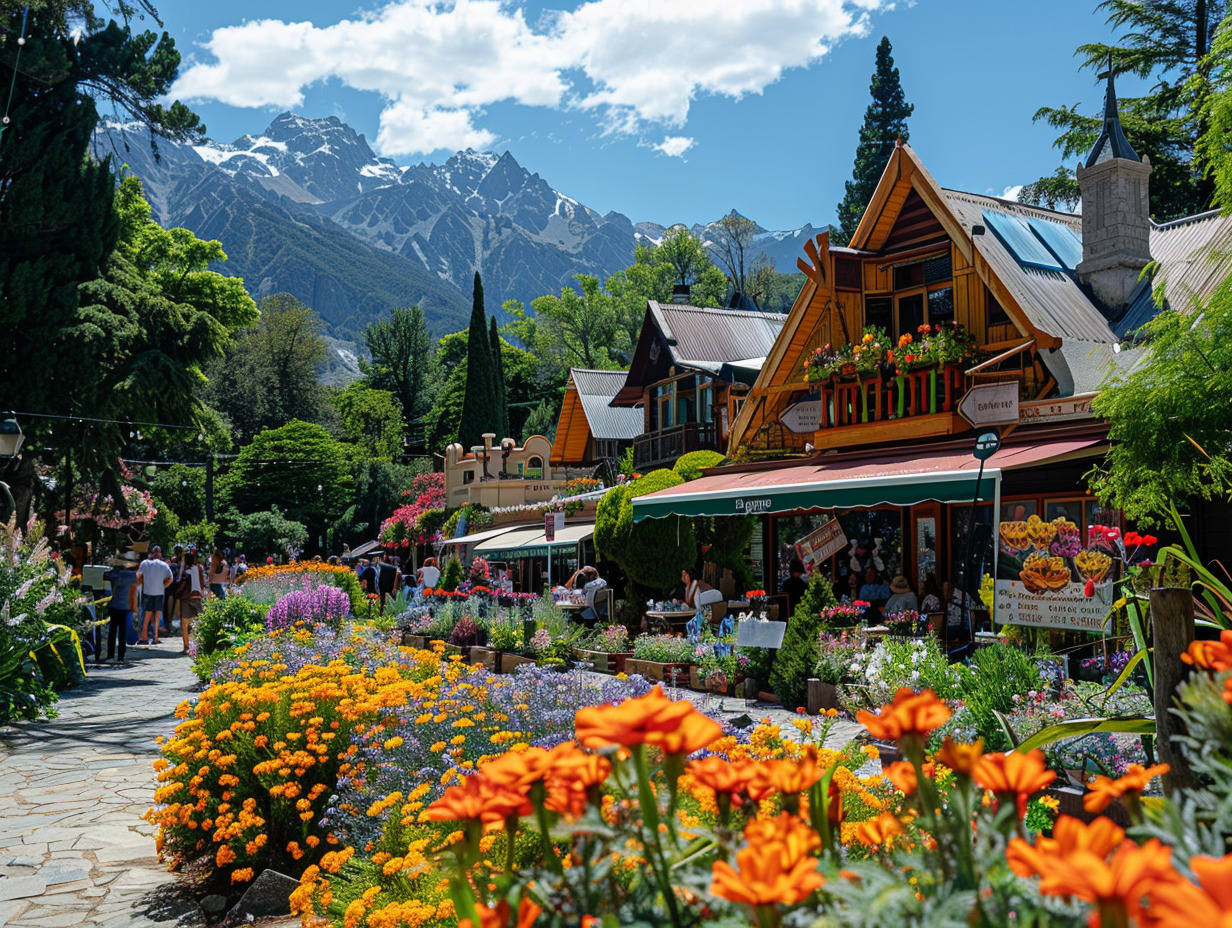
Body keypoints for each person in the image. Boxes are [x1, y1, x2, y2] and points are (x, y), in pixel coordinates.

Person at [102, 553, 139, 664]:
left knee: (112, 632)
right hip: (125, 606)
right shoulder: (132, 576)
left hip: (113, 605)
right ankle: (121, 656)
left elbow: (105, 575)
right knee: (122, 632)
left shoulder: (113, 574)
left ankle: (110, 654)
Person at [136, 547, 173, 645]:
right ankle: (155, 637)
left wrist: (144, 583)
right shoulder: (164, 565)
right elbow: (170, 579)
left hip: (148, 591)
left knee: (147, 614)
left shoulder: (145, 563)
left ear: (151, 554)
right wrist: (163, 586)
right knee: (157, 616)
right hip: (159, 592)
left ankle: (143, 637)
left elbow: (138, 576)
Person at [179, 551, 207, 654]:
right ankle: (199, 644)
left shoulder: (186, 572)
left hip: (187, 597)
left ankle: (186, 646)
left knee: (185, 623)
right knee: (200, 621)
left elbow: (181, 583)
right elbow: (203, 583)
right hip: (198, 597)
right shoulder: (199, 570)